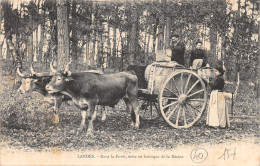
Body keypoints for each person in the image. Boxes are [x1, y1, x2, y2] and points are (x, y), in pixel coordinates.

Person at [206, 62, 237, 128]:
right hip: (217, 94)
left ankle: (218, 124)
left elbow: (214, 86)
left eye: (216, 71)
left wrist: (208, 82)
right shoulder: (218, 78)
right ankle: (217, 123)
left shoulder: (220, 79)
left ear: (220, 72)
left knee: (217, 109)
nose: (215, 72)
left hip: (218, 94)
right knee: (217, 109)